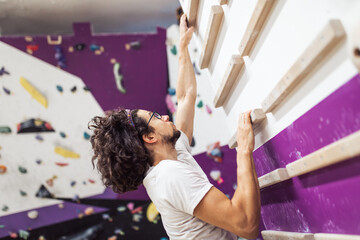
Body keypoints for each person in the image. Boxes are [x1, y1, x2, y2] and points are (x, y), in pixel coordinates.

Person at [88, 14, 260, 240]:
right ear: (150, 137)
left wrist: (183, 48)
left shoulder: (170, 153)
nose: (167, 118)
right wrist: (244, 151)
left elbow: (185, 96)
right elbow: (246, 226)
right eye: (157, 117)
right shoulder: (169, 175)